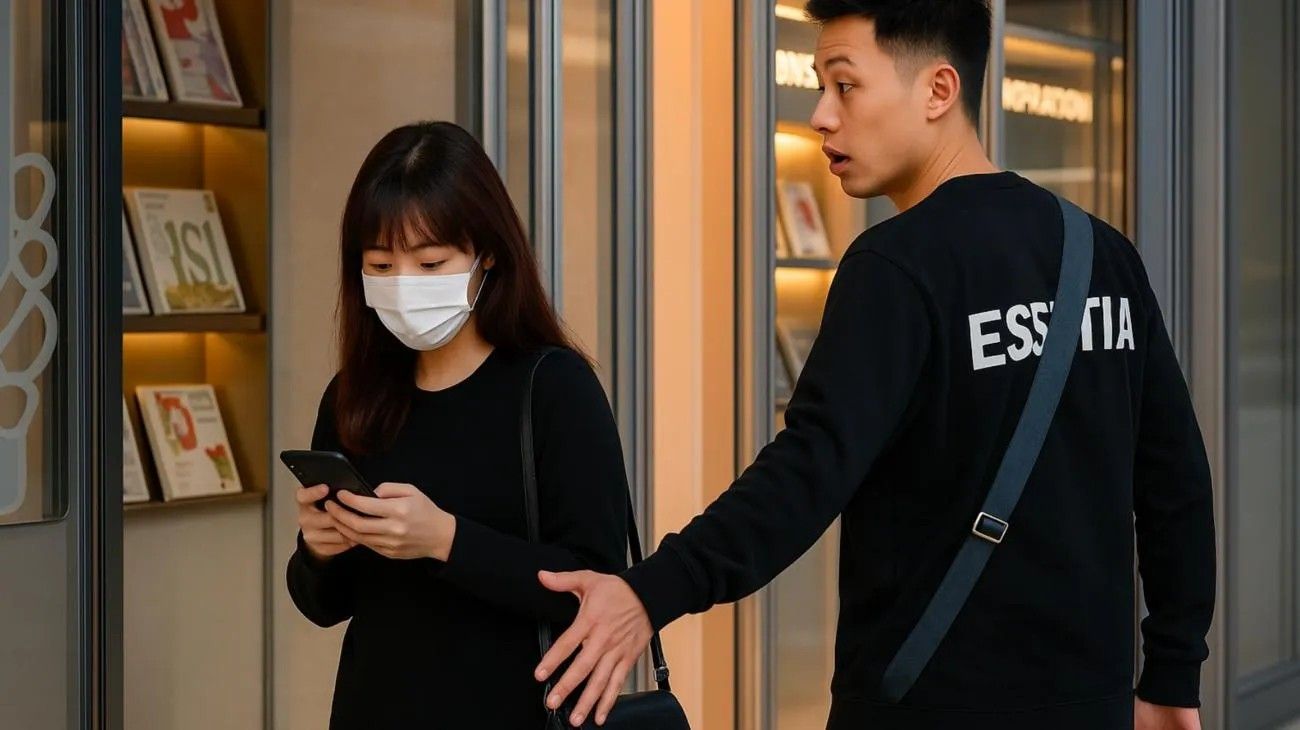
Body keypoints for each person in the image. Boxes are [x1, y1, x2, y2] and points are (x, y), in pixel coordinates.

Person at [532, 2, 1215, 729]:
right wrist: (1172, 675)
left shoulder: (896, 265)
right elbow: (1175, 481)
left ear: (938, 90)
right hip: (1092, 703)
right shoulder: (1102, 252)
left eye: (846, 85)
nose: (821, 115)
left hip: (926, 705)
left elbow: (806, 473)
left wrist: (651, 592)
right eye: (820, 86)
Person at [285, 121, 628, 729]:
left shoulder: (553, 388)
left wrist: (445, 540)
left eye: (430, 262)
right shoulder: (353, 397)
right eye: (381, 265)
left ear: (486, 252)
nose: (403, 286)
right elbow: (324, 606)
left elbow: (597, 586)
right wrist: (318, 549)